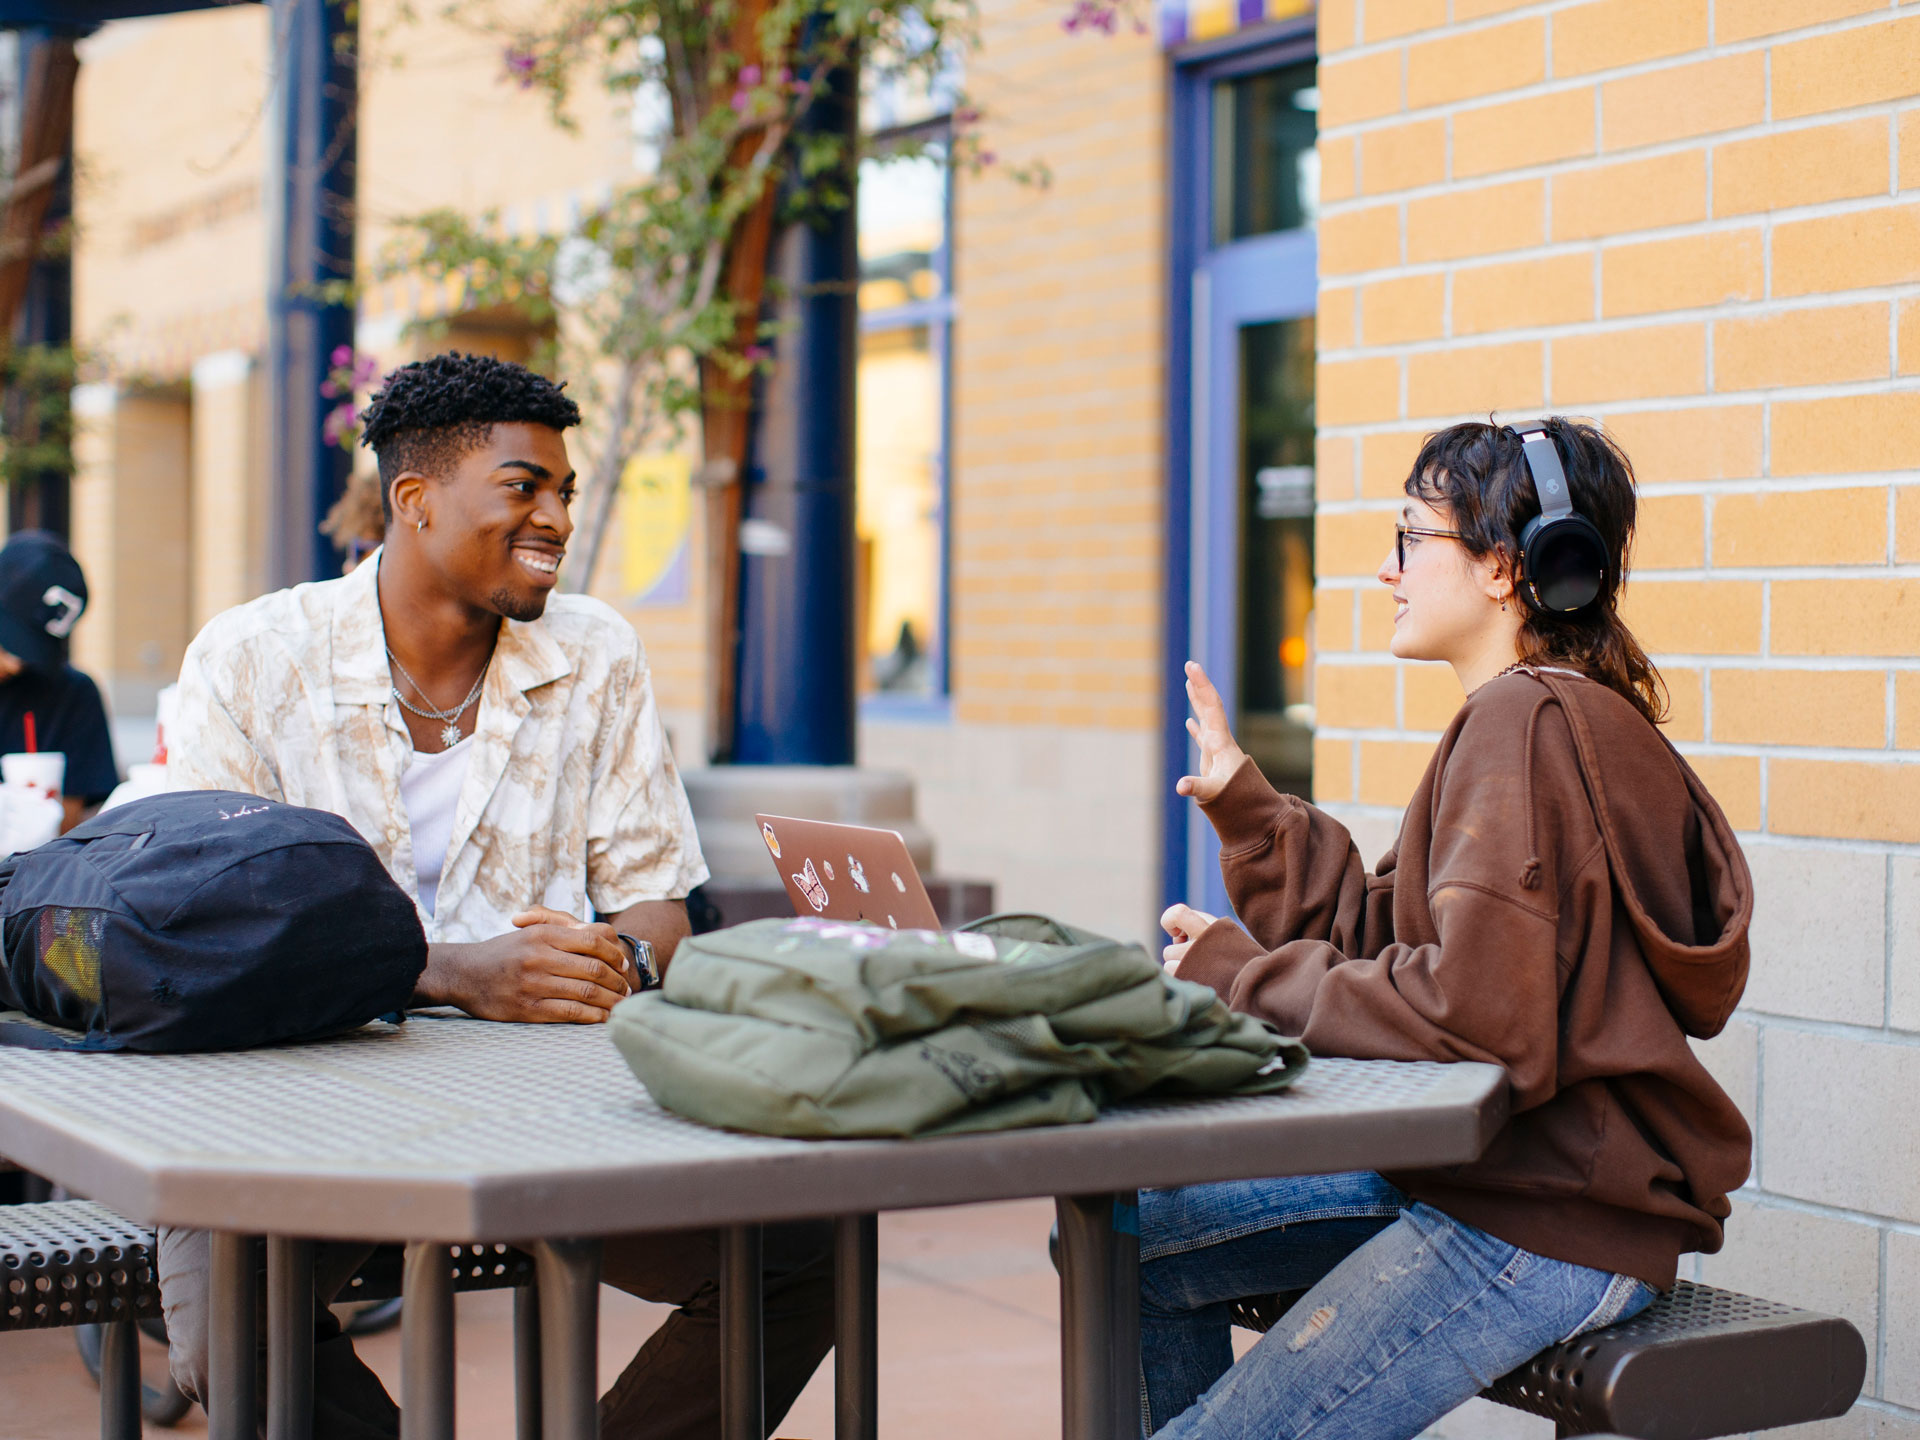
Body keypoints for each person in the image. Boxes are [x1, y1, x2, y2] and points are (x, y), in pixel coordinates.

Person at [159, 352, 834, 1439]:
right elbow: (203, 927)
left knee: (804, 1254)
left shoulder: (595, 651)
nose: (557, 516)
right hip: (295, 1114)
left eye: (563, 490)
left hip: (543, 1117)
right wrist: (452, 973)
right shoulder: (250, 659)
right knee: (226, 1323)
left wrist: (620, 958)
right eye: (525, 486)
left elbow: (658, 899)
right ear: (414, 503)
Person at [1143, 418, 1754, 1440]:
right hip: (1495, 1177)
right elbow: (1387, 938)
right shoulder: (1550, 720)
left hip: (1542, 1218)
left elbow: (1476, 1020)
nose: (1386, 570)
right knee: (1135, 1231)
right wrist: (1249, 807)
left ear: (1507, 568)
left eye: (1410, 537)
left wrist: (1241, 979)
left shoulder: (1525, 727)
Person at [0, 529, 119, 831]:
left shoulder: (73, 695)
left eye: (29, 652)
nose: (15, 664)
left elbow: (69, 829)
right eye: (8, 641)